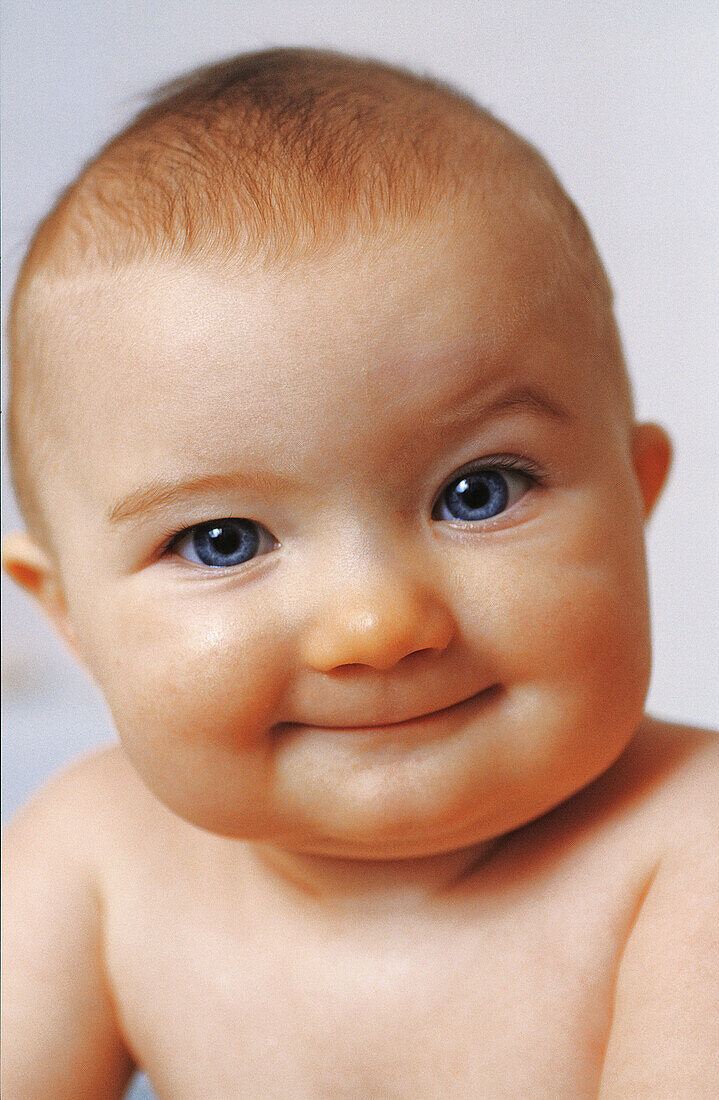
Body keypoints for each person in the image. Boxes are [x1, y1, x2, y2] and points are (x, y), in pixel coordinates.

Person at [2, 47, 716, 1099]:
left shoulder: (687, 851)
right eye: (223, 540)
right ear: (70, 618)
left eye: (477, 491)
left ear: (633, 490)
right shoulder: (93, 858)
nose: (376, 622)